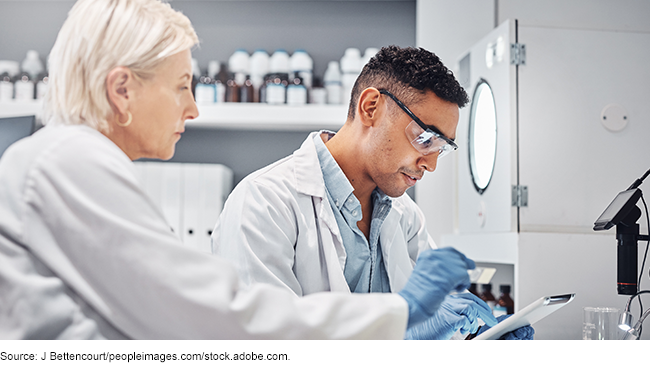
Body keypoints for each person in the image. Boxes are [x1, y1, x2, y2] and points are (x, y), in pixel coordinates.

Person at [0, 0, 478, 340]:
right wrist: (400, 312)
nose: (193, 108)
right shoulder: (66, 162)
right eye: (182, 86)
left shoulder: (69, 163)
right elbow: (208, 316)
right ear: (122, 89)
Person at [212, 46, 533, 340]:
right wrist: (404, 335)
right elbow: (263, 346)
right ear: (370, 107)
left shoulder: (405, 217)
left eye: (442, 148)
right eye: (425, 139)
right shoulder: (263, 204)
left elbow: (437, 325)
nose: (431, 165)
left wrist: (476, 339)